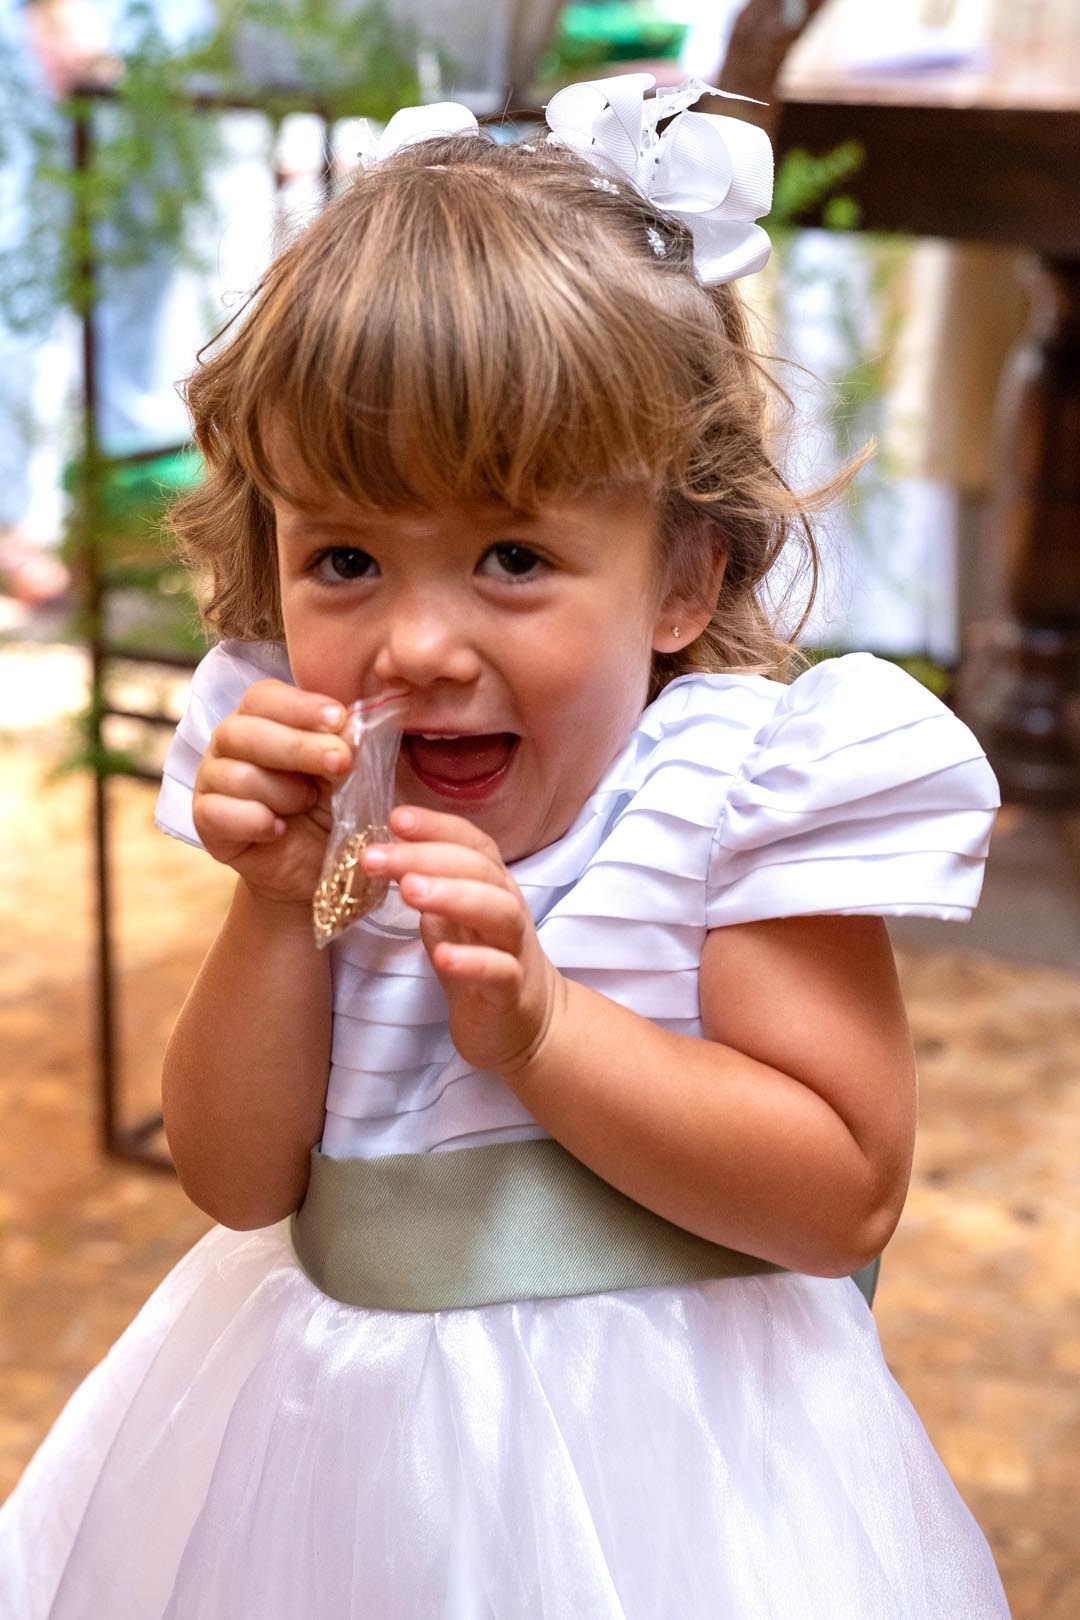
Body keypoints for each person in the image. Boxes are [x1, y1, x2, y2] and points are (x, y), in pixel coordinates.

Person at [0, 75, 1010, 1618]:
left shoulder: (736, 794)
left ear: (682, 579)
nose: (416, 645)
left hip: (677, 1473)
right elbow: (235, 1178)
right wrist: (275, 912)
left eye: (512, 556)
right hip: (330, 1461)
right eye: (345, 558)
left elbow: (840, 1197)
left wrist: (543, 1030)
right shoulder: (324, 803)